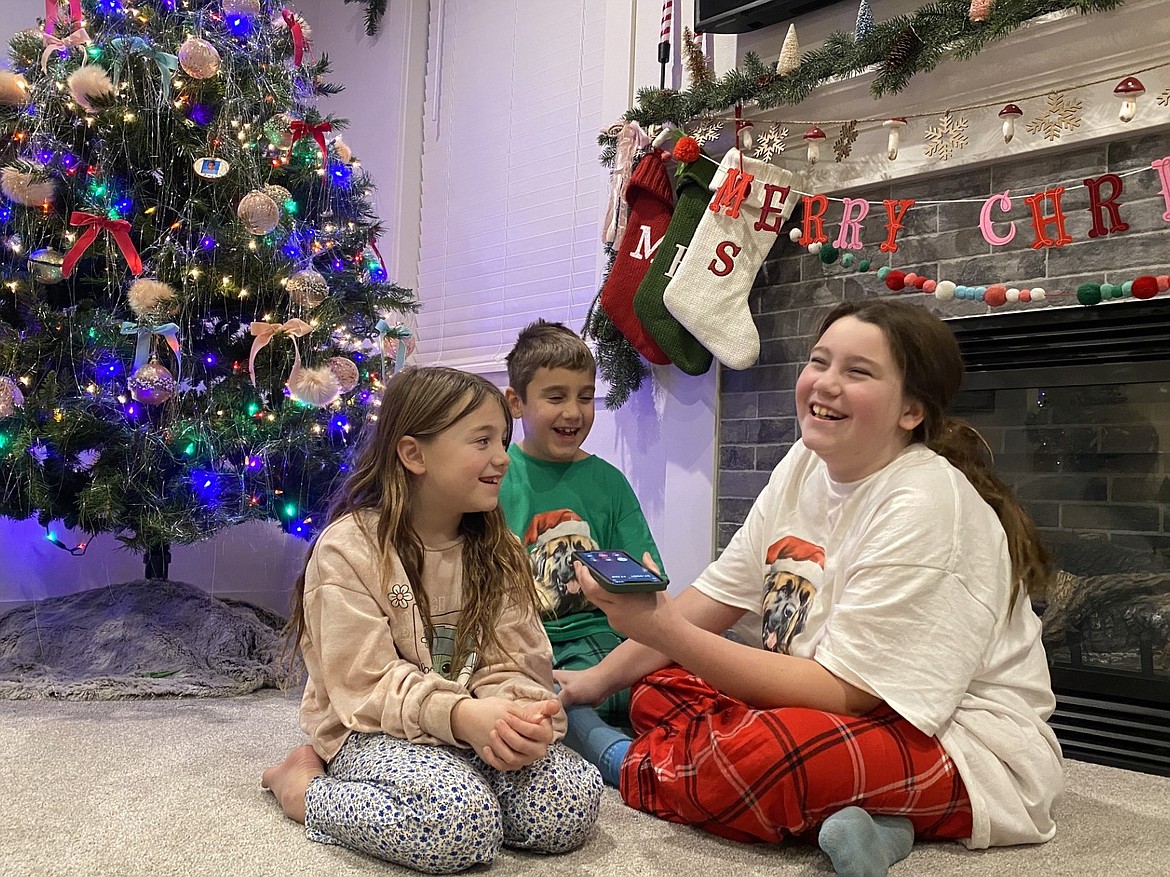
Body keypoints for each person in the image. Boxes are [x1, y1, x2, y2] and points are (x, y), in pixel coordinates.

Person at [556, 299, 1064, 877]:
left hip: (960, 742)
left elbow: (850, 695)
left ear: (912, 410)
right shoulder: (804, 461)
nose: (825, 383)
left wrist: (659, 627)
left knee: (756, 758)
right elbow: (713, 602)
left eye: (858, 372)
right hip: (828, 703)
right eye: (819, 361)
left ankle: (614, 757)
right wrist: (593, 683)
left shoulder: (926, 502)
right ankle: (881, 819)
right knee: (655, 687)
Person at [261, 366, 602, 874]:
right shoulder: (349, 548)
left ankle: (464, 779)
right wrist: (462, 717)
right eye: (482, 441)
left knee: (569, 806)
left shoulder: (499, 549)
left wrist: (513, 716)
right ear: (413, 454)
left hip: (470, 722)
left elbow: (517, 659)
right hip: (372, 728)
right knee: (457, 826)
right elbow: (364, 684)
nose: (502, 459)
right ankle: (300, 786)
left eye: (502, 441)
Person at [500, 319, 663, 728]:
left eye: (585, 397)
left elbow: (644, 583)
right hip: (532, 649)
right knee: (542, 703)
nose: (573, 412)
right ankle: (617, 757)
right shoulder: (497, 478)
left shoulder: (610, 483)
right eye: (555, 397)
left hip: (610, 645)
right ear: (515, 403)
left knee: (680, 683)